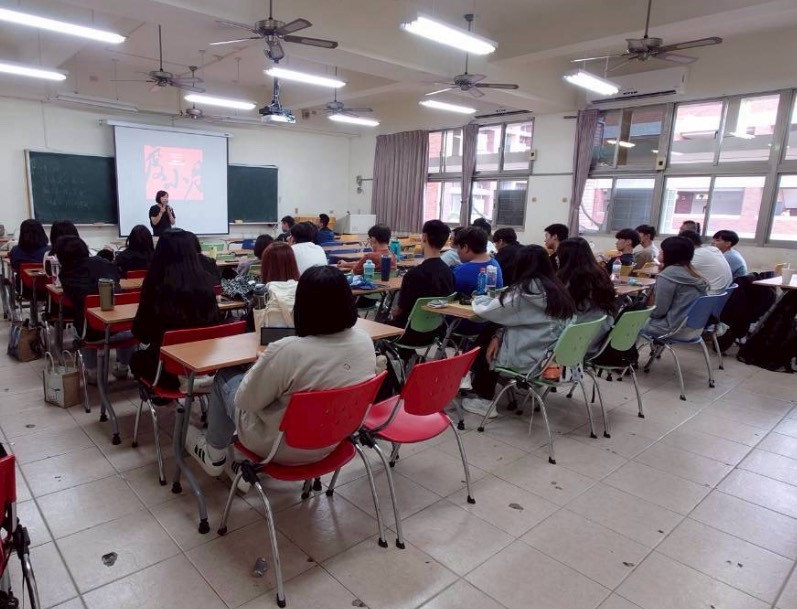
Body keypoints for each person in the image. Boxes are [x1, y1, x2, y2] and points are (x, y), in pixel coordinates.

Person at [186, 266, 377, 477]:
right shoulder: (365, 341)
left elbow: (245, 402)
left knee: (225, 376)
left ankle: (214, 454)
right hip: (332, 440)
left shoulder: (288, 351)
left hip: (277, 448)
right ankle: (237, 470)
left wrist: (259, 368)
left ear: (303, 305)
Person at [462, 245, 576, 417]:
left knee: (488, 336)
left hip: (528, 355)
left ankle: (483, 398)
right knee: (495, 333)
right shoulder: (556, 288)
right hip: (550, 355)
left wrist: (477, 299)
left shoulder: (525, 292)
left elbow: (490, 311)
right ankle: (468, 376)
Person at [130, 229, 221, 389]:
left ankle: (167, 401)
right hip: (205, 363)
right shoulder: (207, 282)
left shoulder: (154, 285)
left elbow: (141, 333)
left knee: (136, 359)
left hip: (166, 369)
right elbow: (215, 322)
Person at [56, 236, 135, 383]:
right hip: (126, 330)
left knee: (80, 324)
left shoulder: (66, 275)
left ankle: (93, 373)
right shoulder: (104, 263)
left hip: (92, 334)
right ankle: (123, 367)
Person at [391, 220, 454, 342]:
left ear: (424, 237)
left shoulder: (413, 274)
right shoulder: (449, 272)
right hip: (435, 332)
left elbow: (399, 310)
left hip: (406, 332)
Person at [556, 238, 616, 357]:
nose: (556, 258)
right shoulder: (601, 273)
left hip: (576, 342)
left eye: (558, 255)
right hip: (598, 336)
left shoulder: (569, 280)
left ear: (568, 258)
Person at [644, 236, 709, 338]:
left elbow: (658, 312)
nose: (660, 251)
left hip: (672, 328)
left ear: (670, 254)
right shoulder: (691, 272)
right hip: (694, 328)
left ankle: (627, 353)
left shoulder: (668, 275)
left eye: (662, 250)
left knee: (626, 323)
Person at [256, 242, 301, 329]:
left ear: (266, 266)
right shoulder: (304, 289)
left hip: (268, 340)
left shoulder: (261, 294)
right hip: (299, 339)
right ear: (293, 263)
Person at [453, 227, 503, 296]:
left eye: (457, 248)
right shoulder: (495, 264)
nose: (457, 252)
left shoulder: (460, 271)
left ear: (465, 247)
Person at [679, 230, 732, 294]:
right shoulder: (714, 249)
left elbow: (676, 272)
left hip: (709, 296)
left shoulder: (696, 254)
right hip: (721, 296)